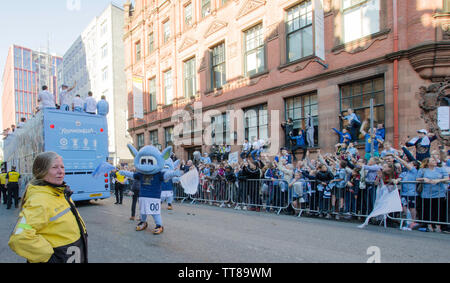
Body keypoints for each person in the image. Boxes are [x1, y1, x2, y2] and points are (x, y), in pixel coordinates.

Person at [8, 152, 88, 263]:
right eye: (54, 167)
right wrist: (50, 258)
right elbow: (19, 238)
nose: (61, 171)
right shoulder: (39, 200)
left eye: (62, 167)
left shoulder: (59, 193)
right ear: (41, 171)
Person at [416, 158, 449, 232]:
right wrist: (424, 179)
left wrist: (439, 180)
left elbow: (447, 178)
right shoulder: (423, 170)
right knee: (427, 210)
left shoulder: (440, 169)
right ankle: (427, 225)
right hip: (426, 194)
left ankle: (441, 226)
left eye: (435, 160)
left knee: (440, 210)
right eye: (433, 161)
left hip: (439, 193)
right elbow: (417, 179)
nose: (435, 162)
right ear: (428, 163)